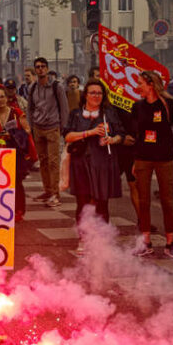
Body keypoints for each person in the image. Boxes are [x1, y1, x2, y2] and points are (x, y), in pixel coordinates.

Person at [130, 71, 173, 258]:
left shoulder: (169, 103)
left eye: (140, 83)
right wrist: (135, 161)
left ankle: (170, 243)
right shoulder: (137, 106)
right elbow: (137, 136)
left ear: (151, 84)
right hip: (142, 158)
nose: (138, 86)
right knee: (143, 201)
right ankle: (146, 242)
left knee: (167, 201)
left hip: (165, 158)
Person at [62, 79, 123, 252]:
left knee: (102, 202)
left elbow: (121, 135)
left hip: (103, 163)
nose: (96, 96)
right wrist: (90, 132)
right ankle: (83, 238)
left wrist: (111, 139)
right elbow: (67, 136)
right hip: (81, 163)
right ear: (85, 95)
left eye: (99, 93)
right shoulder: (76, 114)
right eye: (92, 92)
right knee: (83, 202)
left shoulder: (109, 113)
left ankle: (102, 240)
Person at [0, 85, 35, 222]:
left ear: (6, 98)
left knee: (16, 182)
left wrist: (12, 133)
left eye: (2, 97)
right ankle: (0, 209)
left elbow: (27, 130)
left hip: (14, 153)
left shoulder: (17, 113)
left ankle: (18, 210)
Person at [28, 58, 69, 208]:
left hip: (53, 128)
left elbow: (64, 108)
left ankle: (55, 194)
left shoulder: (57, 86)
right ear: (35, 69)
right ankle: (47, 191)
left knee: (53, 162)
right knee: (43, 161)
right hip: (38, 128)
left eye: (43, 66)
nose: (40, 69)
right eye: (37, 67)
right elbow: (30, 108)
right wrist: (31, 127)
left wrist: (63, 128)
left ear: (47, 68)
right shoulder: (33, 87)